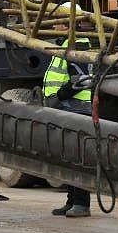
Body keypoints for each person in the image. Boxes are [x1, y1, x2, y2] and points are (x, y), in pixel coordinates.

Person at [41, 45, 95, 218]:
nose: (55, 25)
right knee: (69, 158)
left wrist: (59, 96)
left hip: (76, 109)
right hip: (67, 110)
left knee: (77, 157)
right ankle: (72, 201)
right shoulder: (65, 45)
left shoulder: (77, 44)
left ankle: (81, 204)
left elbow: (83, 80)